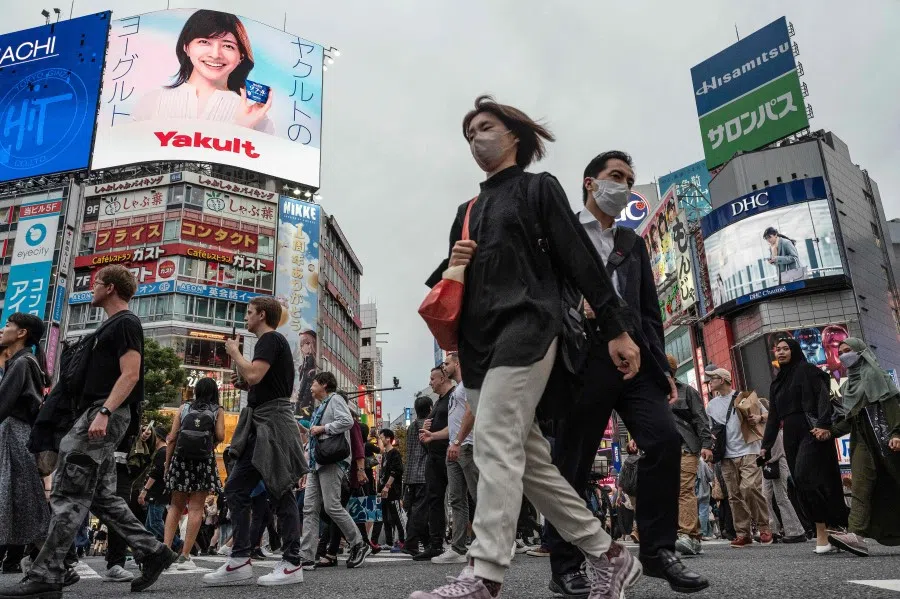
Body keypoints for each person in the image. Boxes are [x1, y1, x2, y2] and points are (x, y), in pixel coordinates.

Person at [413, 98, 643, 599]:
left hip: (530, 323)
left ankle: (486, 573)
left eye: (486, 126)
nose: (476, 138)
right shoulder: (467, 212)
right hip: (477, 342)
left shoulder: (540, 188)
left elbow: (580, 259)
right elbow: (453, 284)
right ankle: (609, 554)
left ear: (514, 134)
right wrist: (455, 260)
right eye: (469, 132)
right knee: (531, 461)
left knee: (494, 438)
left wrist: (617, 326)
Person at [546, 152, 707, 597]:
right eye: (615, 176)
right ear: (589, 182)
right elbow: (543, 294)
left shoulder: (632, 244)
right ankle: (566, 563)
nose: (624, 185)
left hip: (634, 359)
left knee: (664, 440)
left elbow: (650, 314)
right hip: (581, 359)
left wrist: (660, 368)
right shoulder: (561, 234)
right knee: (572, 464)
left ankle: (658, 550)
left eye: (630, 180)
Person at [0, 266, 177, 598]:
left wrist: (105, 413)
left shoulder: (125, 322)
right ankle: (154, 551)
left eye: (95, 283)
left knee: (68, 490)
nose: (91, 288)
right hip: (97, 414)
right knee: (100, 496)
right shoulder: (109, 326)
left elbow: (131, 374)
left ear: (109, 288)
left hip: (102, 414)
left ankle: (48, 572)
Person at [203, 297, 308, 587]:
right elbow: (251, 380)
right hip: (261, 423)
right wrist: (239, 364)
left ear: (262, 315)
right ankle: (239, 560)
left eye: (249, 313)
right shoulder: (272, 343)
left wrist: (235, 352)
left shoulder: (270, 339)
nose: (246, 317)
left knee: (280, 490)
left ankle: (291, 562)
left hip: (271, 423)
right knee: (236, 488)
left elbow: (253, 373)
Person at [813, 338, 900, 555]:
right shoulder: (850, 384)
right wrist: (830, 432)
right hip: (862, 441)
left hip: (885, 441)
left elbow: (892, 406)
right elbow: (851, 419)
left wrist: (897, 433)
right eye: (840, 351)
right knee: (860, 486)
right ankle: (856, 535)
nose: (843, 355)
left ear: (861, 352)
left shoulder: (876, 376)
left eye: (848, 350)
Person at [761, 338, 849, 553]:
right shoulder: (777, 382)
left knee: (809, 477)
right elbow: (773, 417)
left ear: (794, 350)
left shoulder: (808, 370)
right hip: (790, 434)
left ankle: (834, 527)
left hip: (812, 429)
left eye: (785, 349)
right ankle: (823, 531)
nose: (780, 353)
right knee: (800, 483)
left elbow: (823, 397)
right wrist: (766, 445)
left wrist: (823, 424)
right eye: (777, 350)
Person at [132, 9, 274, 132]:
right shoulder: (152, 101)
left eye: (228, 46)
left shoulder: (256, 116)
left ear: (241, 56)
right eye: (204, 42)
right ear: (186, 47)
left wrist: (245, 128)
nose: (215, 54)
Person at [297, 371, 369, 570]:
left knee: (331, 506)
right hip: (316, 463)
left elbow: (347, 421)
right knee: (310, 508)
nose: (311, 386)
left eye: (314, 382)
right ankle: (307, 556)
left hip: (331, 461)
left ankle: (359, 543)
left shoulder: (335, 399)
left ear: (324, 384)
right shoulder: (320, 406)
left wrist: (323, 428)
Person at [0, 314, 51, 575]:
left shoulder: (22, 363)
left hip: (16, 433)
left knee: (21, 494)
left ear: (21, 333)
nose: (2, 329)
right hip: (20, 433)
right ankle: (44, 554)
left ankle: (54, 554)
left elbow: (3, 402)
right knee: (21, 494)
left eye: (8, 325)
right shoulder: (25, 361)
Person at [705, 367, 773, 549]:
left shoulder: (744, 396)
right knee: (734, 495)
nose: (709, 381)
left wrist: (759, 418)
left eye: (713, 378)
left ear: (724, 379)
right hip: (726, 455)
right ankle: (743, 533)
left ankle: (764, 527)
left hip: (749, 449)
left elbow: (769, 414)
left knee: (750, 488)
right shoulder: (711, 405)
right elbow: (710, 430)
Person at [162, 377, 225, 570]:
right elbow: (221, 436)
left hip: (180, 461)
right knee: (196, 508)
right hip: (203, 462)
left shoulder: (184, 408)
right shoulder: (217, 410)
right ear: (215, 392)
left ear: (196, 391)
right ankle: (185, 556)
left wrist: (167, 464)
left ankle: (164, 552)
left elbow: (172, 438)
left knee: (175, 506)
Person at [666, 355, 714, 558]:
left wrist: (707, 445)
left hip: (687, 447)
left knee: (683, 489)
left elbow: (701, 419)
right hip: (664, 450)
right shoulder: (650, 393)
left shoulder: (688, 391)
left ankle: (685, 534)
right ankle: (694, 538)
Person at [432, 352, 477, 564]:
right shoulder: (456, 390)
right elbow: (455, 424)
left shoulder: (468, 383)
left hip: (468, 446)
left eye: (447, 363)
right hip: (455, 447)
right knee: (457, 499)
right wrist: (435, 436)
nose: (444, 366)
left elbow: (471, 412)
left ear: (458, 363)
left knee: (480, 497)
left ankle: (498, 542)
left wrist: (458, 441)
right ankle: (458, 548)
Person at [415, 367, 453, 562]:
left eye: (432, 378)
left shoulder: (453, 397)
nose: (430, 382)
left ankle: (471, 540)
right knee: (434, 499)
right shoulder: (438, 403)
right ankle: (436, 544)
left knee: (461, 498)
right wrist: (425, 432)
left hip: (451, 454)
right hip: (434, 456)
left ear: (443, 378)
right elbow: (424, 434)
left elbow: (458, 424)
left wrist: (433, 434)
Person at [756, 400, 806, 544]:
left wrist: (766, 459)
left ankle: (795, 530)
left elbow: (778, 449)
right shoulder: (760, 429)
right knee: (765, 497)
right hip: (767, 465)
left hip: (778, 462)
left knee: (781, 497)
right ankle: (773, 530)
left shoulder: (773, 427)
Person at [403, 395, 433, 557]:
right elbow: (429, 448)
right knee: (420, 510)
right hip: (423, 473)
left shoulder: (412, 426)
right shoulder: (427, 426)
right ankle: (426, 542)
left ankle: (411, 542)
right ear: (430, 408)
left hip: (411, 474)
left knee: (413, 510)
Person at [137, 426, 170, 543]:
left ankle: (177, 544)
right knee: (150, 525)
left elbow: (155, 474)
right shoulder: (164, 452)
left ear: (159, 438)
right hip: (159, 491)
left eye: (152, 437)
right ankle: (148, 548)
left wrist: (144, 490)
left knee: (155, 523)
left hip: (158, 492)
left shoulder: (163, 452)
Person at [377, 429, 405, 551]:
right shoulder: (385, 455)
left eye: (382, 437)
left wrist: (387, 486)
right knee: (385, 517)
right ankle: (388, 542)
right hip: (383, 490)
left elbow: (396, 471)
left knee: (396, 516)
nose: (380, 440)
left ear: (388, 439)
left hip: (392, 490)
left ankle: (402, 541)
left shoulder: (395, 453)